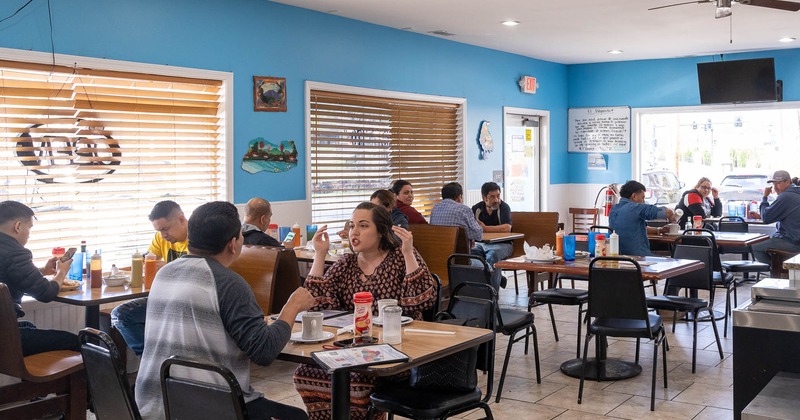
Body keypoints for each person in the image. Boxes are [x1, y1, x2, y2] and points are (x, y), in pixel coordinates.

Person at [135, 201, 313, 420]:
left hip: (151, 404)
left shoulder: (164, 273)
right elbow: (265, 351)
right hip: (207, 408)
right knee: (297, 417)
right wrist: (292, 307)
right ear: (233, 244)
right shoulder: (228, 283)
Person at [293, 202, 437, 420]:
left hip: (396, 348)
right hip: (352, 348)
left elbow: (422, 301)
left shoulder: (400, 256)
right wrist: (320, 255)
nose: (354, 232)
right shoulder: (347, 262)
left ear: (381, 231)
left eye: (363, 226)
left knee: (357, 381)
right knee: (304, 372)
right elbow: (315, 303)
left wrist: (408, 252)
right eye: (352, 226)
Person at [0, 201, 79, 356]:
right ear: (18, 226)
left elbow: (10, 274)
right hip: (4, 337)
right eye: (29, 228)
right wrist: (61, 272)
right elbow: (46, 293)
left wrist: (42, 271)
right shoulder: (15, 252)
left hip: (4, 328)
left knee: (29, 326)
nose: (29, 234)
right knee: (77, 341)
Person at [111, 200, 188, 356]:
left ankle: (154, 361)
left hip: (186, 300)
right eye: (159, 230)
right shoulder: (161, 238)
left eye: (165, 229)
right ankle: (152, 360)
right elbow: (149, 259)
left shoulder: (199, 239)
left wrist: (168, 267)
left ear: (181, 219)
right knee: (121, 315)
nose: (163, 235)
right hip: (167, 297)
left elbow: (198, 274)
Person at [609, 180, 676, 256]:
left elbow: (633, 228)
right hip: (639, 258)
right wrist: (672, 214)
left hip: (618, 257)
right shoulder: (636, 208)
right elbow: (668, 212)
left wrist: (659, 230)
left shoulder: (613, 209)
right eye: (642, 198)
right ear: (634, 196)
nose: (643, 202)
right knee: (673, 258)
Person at [748, 170, 800, 263]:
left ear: (788, 182)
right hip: (796, 239)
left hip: (792, 241)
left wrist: (765, 197)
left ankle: (774, 269)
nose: (775, 187)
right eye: (774, 184)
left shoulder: (786, 196)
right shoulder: (796, 193)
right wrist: (761, 216)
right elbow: (784, 214)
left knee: (754, 246)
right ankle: (777, 267)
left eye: (778, 183)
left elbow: (766, 218)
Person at [470, 182, 513, 290]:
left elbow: (507, 228)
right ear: (484, 197)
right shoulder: (476, 209)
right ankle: (494, 281)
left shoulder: (504, 207)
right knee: (470, 253)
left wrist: (485, 228)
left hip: (503, 244)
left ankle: (492, 293)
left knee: (493, 255)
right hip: (481, 244)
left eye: (498, 196)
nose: (496, 200)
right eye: (492, 197)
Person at [430, 182, 483, 250]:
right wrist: (479, 226)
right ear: (459, 197)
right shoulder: (464, 209)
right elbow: (478, 235)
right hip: (459, 254)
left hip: (438, 252)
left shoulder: (434, 209)